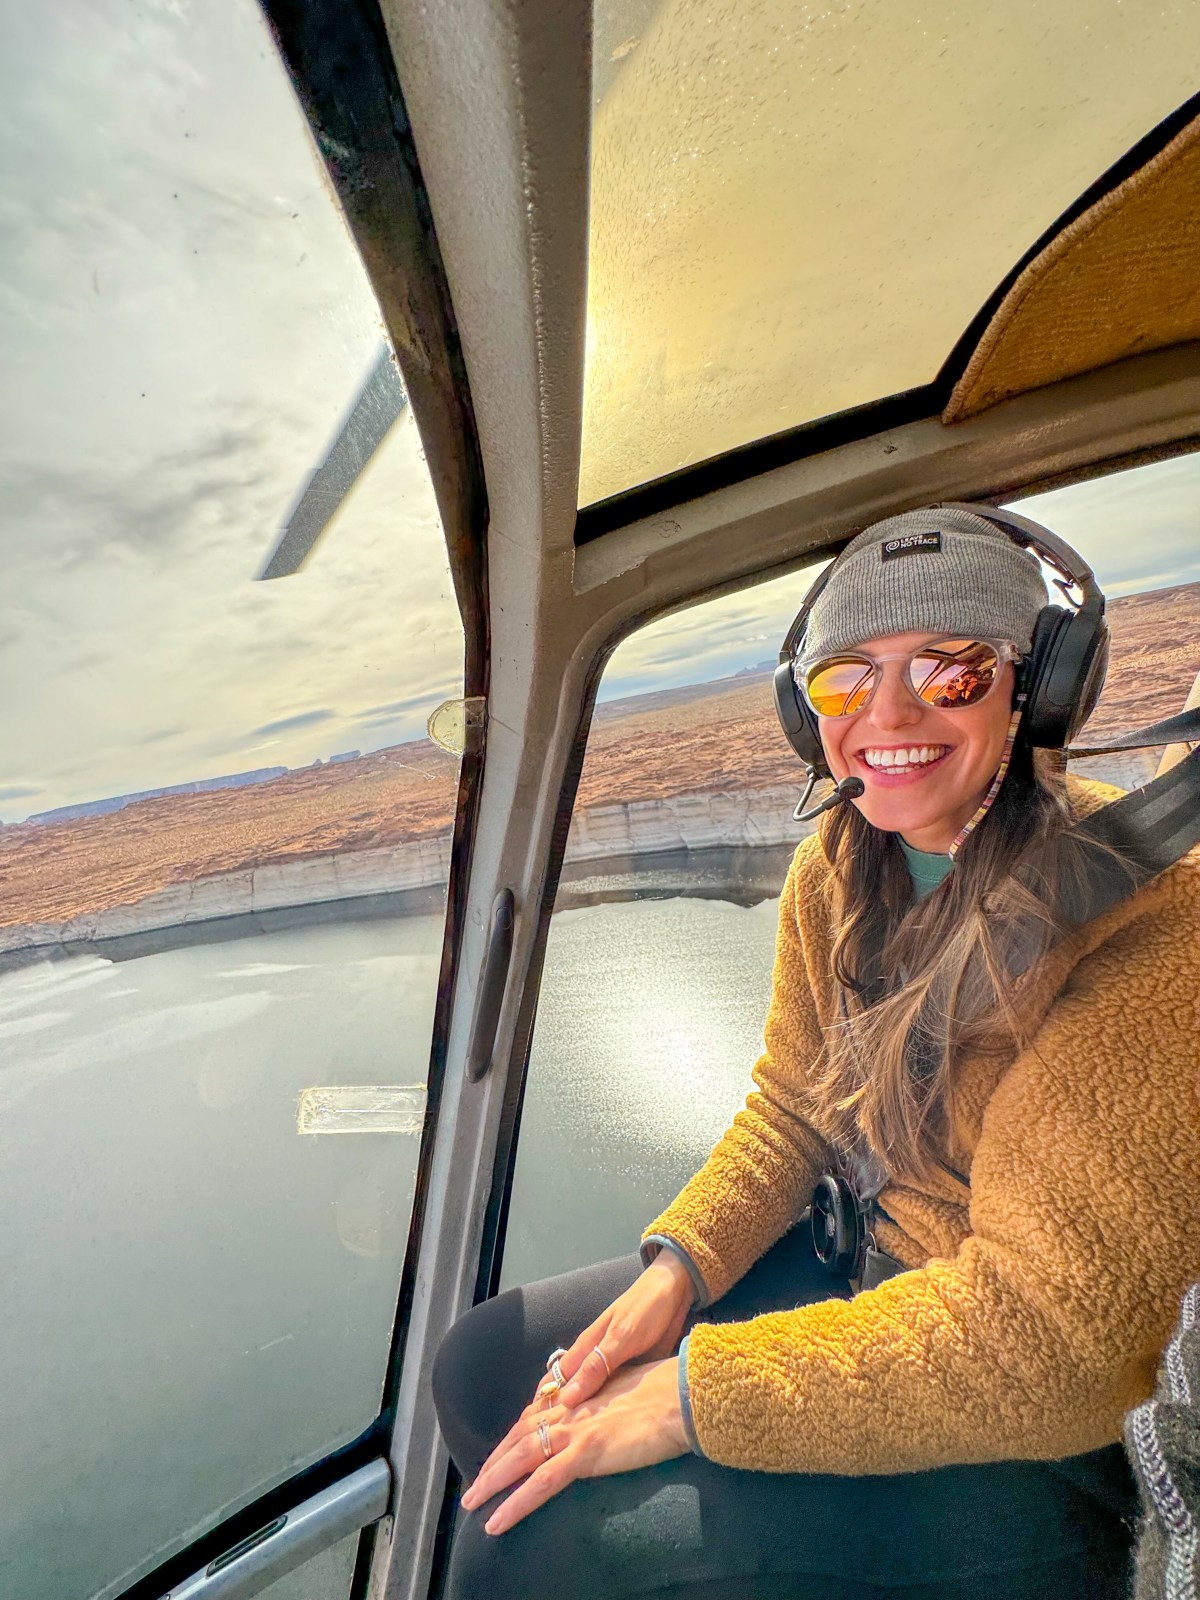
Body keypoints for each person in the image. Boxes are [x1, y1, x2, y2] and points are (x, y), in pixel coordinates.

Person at [433, 505, 1200, 1599]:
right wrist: (681, 1270)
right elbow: (796, 1105)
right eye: (845, 679)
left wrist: (687, 1395)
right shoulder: (840, 873)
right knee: (481, 1364)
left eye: (951, 671)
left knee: (536, 1552)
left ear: (1042, 685)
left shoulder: (1152, 926)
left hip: (1039, 1439)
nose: (885, 714)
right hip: (869, 1274)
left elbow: (1049, 1340)